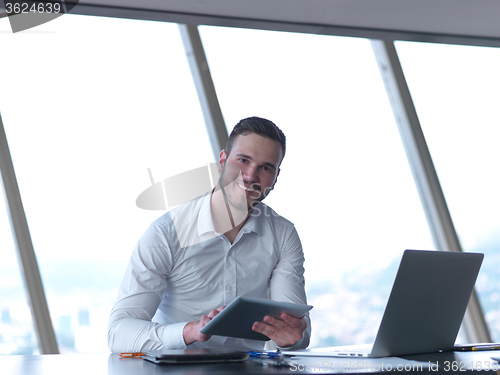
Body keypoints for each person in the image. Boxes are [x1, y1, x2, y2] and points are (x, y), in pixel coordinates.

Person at [108, 116, 310, 352]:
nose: (250, 175)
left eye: (265, 168)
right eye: (243, 160)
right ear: (223, 161)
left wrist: (292, 337)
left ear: (275, 178)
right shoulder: (166, 233)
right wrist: (190, 331)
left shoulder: (283, 234)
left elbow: (297, 331)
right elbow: (118, 334)